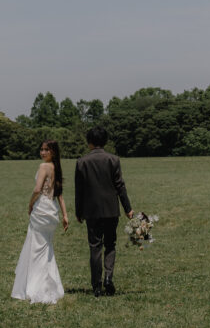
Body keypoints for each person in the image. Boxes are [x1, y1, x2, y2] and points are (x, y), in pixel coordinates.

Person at [75, 126, 133, 297]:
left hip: (91, 211)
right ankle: (108, 276)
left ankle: (96, 286)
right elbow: (120, 186)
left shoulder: (81, 162)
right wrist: (128, 208)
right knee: (110, 245)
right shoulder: (113, 160)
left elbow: (79, 190)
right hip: (111, 210)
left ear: (89, 142)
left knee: (95, 247)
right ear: (105, 141)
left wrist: (79, 212)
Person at [12, 140, 69, 304]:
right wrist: (65, 215)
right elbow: (59, 195)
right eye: (41, 149)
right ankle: (51, 285)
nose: (43, 152)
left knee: (37, 248)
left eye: (47, 150)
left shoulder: (44, 167)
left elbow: (37, 190)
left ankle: (37, 287)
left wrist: (30, 204)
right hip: (51, 211)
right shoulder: (55, 167)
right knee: (46, 248)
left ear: (53, 152)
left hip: (41, 210)